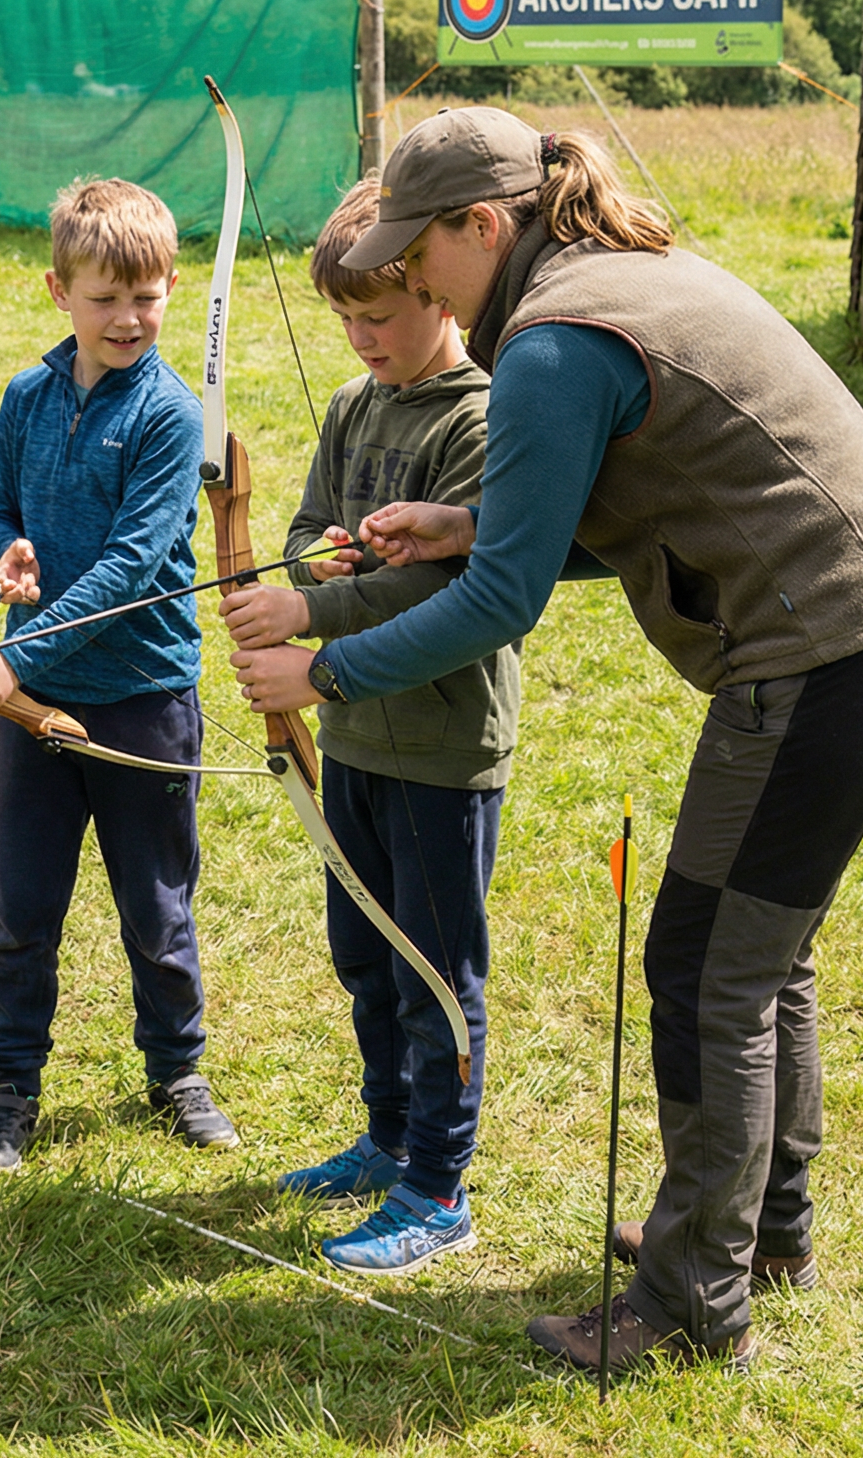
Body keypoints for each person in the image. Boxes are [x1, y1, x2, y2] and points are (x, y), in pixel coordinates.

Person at [232, 108, 863, 1369]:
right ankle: (755, 1233)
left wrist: (326, 662)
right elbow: (602, 518)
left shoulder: (552, 340)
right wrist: (467, 525)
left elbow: (498, 606)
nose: (411, 277)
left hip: (829, 649)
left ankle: (693, 1305)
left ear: (486, 222)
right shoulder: (603, 277)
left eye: (425, 250)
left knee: (704, 965)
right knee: (756, 948)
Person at [229, 176, 521, 1276]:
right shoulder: (354, 406)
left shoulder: (480, 415)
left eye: (381, 313)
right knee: (363, 952)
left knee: (432, 969)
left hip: (441, 746)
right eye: (344, 318)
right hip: (349, 739)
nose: (361, 337)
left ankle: (437, 1186)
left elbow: (450, 594)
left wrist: (308, 612)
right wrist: (313, 559)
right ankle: (387, 1134)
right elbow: (306, 528)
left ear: (438, 294)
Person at [0, 178, 238, 1172]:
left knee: (155, 907)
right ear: (57, 289)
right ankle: (11, 1083)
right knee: (22, 906)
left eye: (146, 295)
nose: (127, 317)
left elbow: (128, 568)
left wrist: (8, 654)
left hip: (140, 693)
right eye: (104, 296)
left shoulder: (168, 415)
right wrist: (9, 549)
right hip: (32, 704)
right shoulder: (27, 396)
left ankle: (176, 1068)